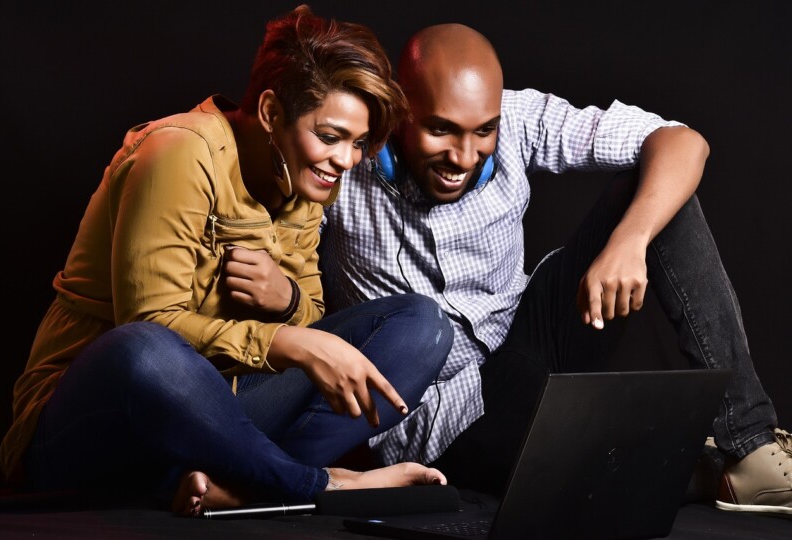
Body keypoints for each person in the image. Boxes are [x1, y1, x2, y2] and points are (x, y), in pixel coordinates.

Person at [0, 6, 454, 517]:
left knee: (421, 326)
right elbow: (150, 327)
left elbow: (311, 326)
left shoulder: (308, 181)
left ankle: (236, 486)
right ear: (270, 112)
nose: (346, 161)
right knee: (143, 348)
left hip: (221, 421)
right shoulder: (179, 153)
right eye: (330, 137)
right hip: (92, 425)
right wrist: (284, 340)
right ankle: (314, 484)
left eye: (357, 143)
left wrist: (287, 304)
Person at [318, 23, 790, 515]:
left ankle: (750, 446)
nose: (463, 156)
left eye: (483, 131)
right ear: (398, 109)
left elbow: (681, 142)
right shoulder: (347, 158)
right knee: (590, 478)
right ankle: (694, 467)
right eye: (440, 130)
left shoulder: (519, 119)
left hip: (530, 345)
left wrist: (631, 239)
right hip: (444, 421)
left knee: (653, 193)